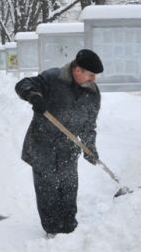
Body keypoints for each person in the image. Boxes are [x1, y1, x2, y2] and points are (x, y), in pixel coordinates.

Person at [15, 49, 103, 236]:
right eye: (91, 75)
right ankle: (52, 229)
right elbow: (23, 84)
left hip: (68, 148)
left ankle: (69, 226)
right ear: (77, 70)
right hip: (42, 145)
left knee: (69, 187)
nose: (93, 80)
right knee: (47, 189)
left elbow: (89, 126)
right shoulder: (53, 78)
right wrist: (33, 95)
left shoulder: (92, 94)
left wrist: (90, 148)